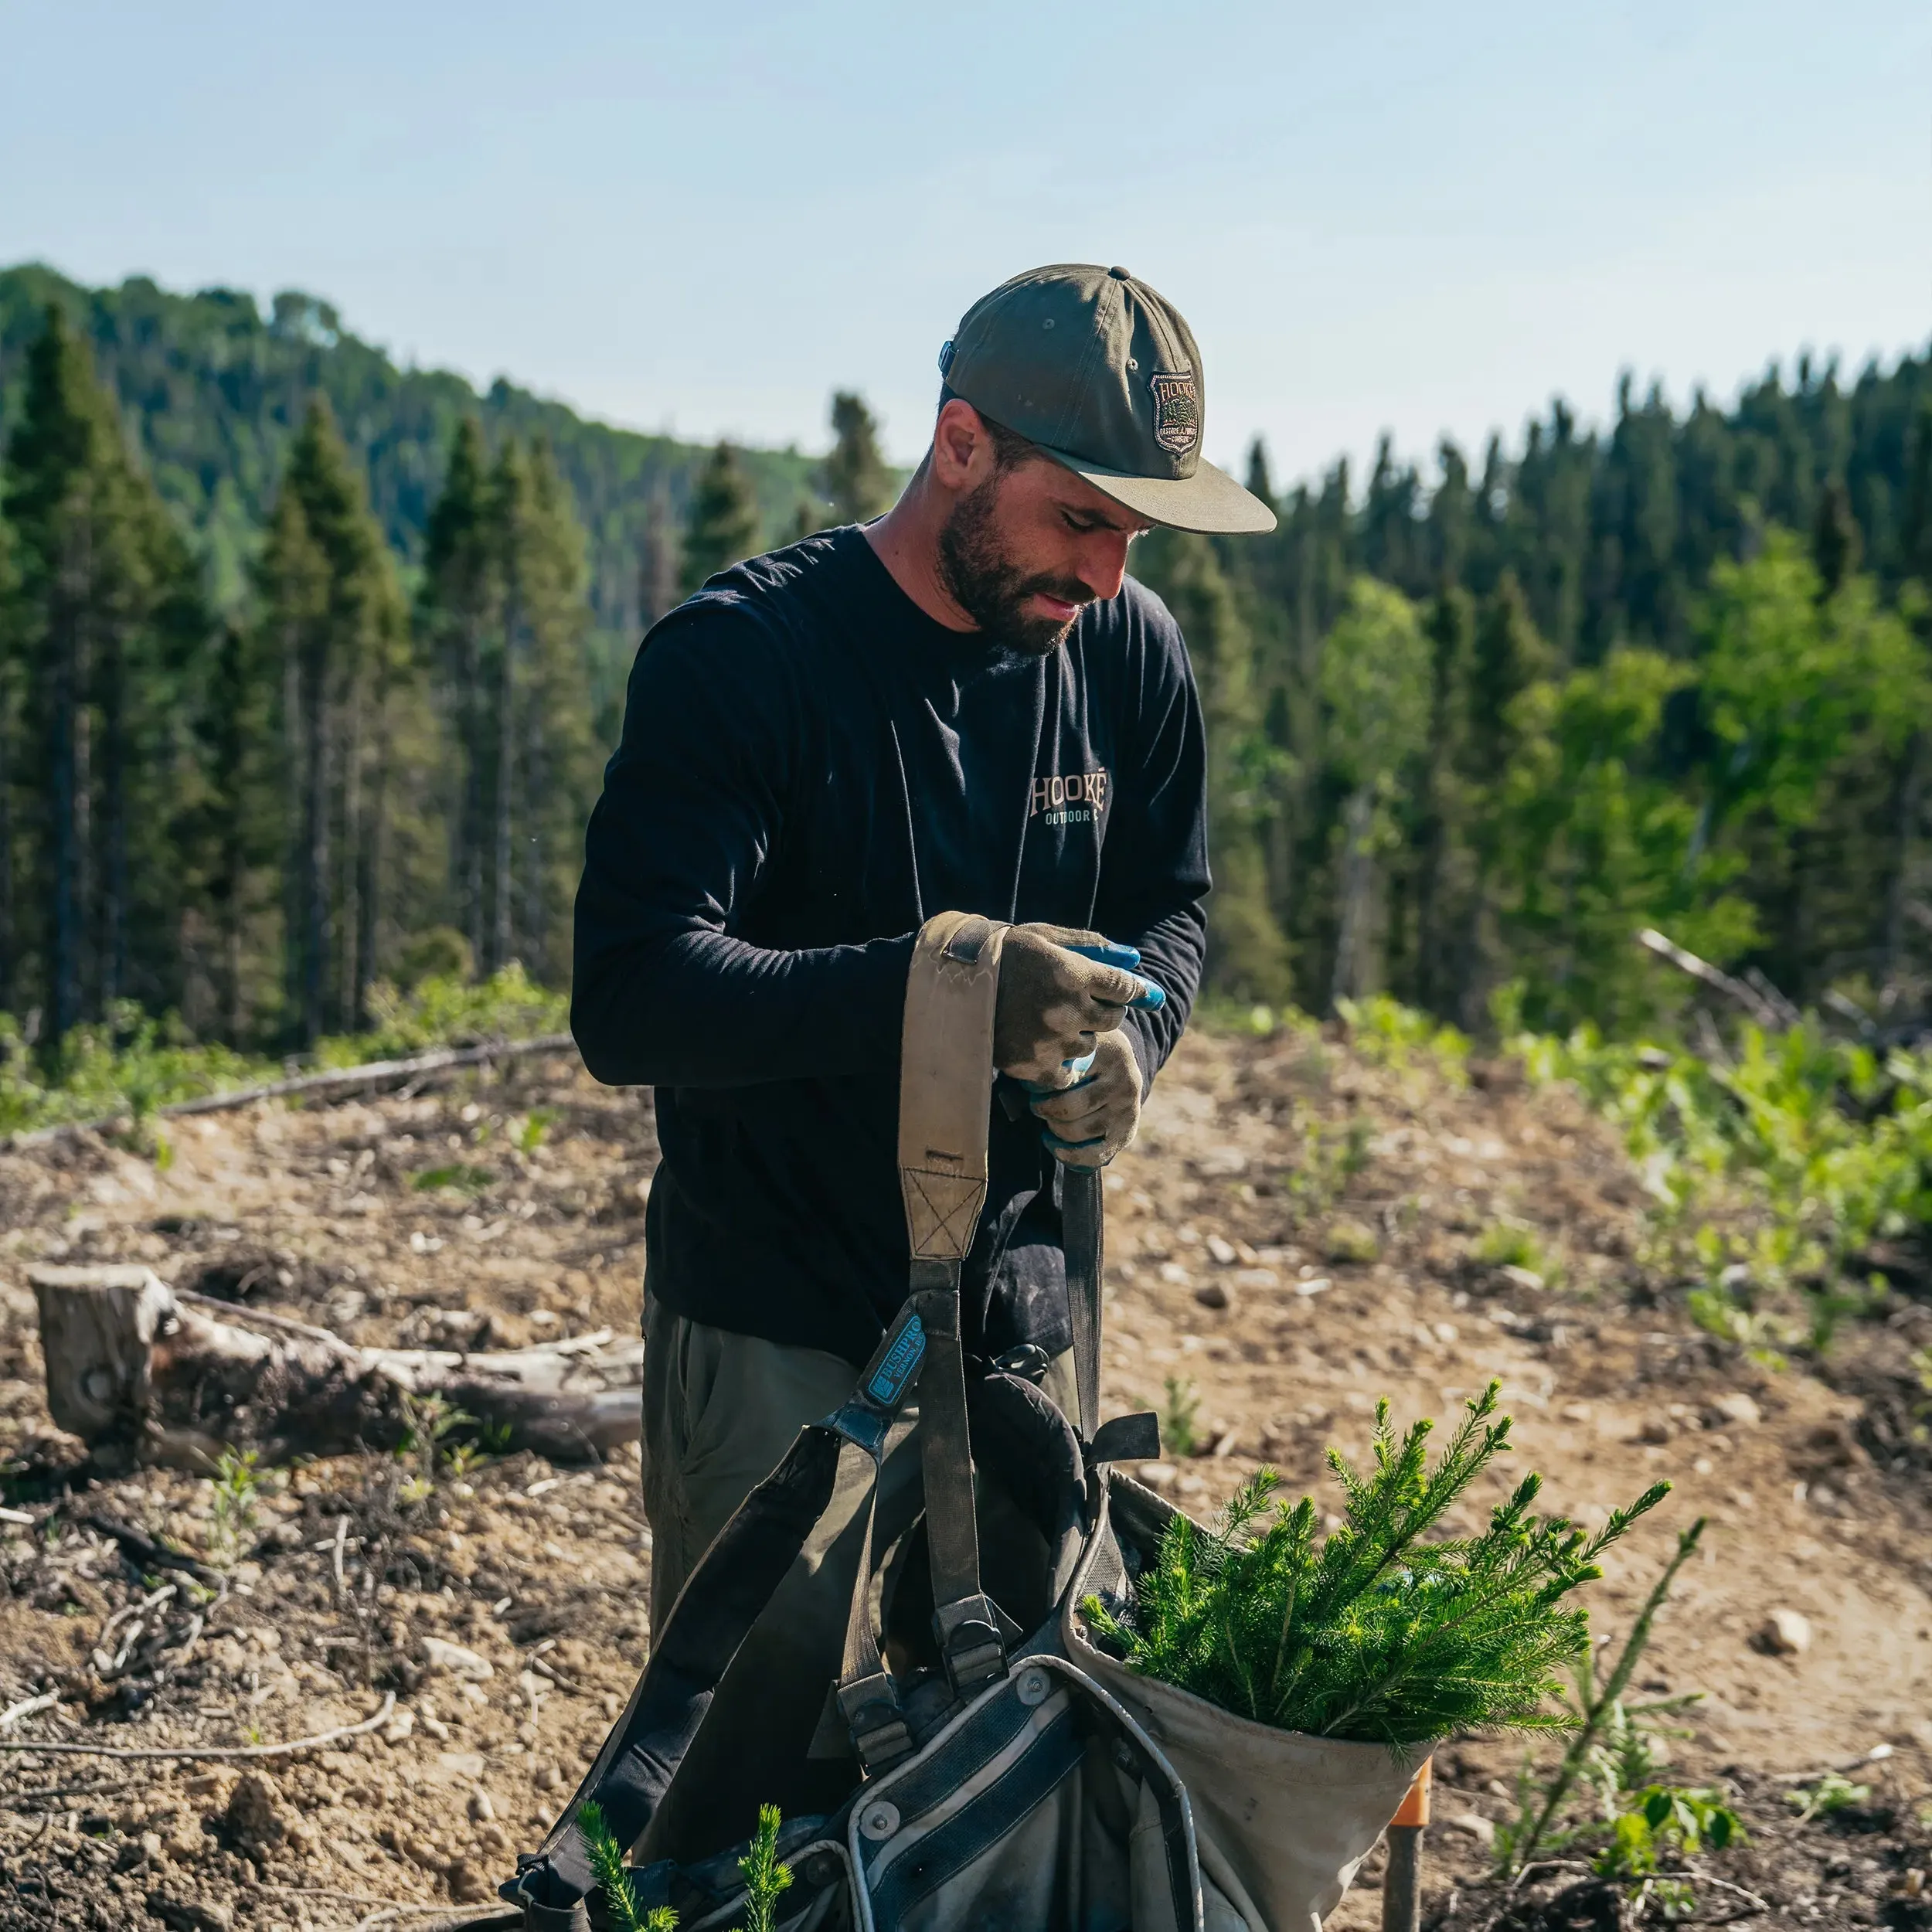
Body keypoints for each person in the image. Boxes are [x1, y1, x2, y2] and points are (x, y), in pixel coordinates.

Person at [571, 262, 1275, 1855]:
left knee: (1009, 1785)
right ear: (960, 443)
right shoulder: (747, 659)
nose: (1106, 571)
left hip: (1024, 1315)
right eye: (1079, 517)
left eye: (1136, 533)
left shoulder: (1125, 647)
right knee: (738, 1814)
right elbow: (634, 994)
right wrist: (949, 985)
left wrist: (1141, 1034)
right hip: (779, 1323)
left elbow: (1170, 903)